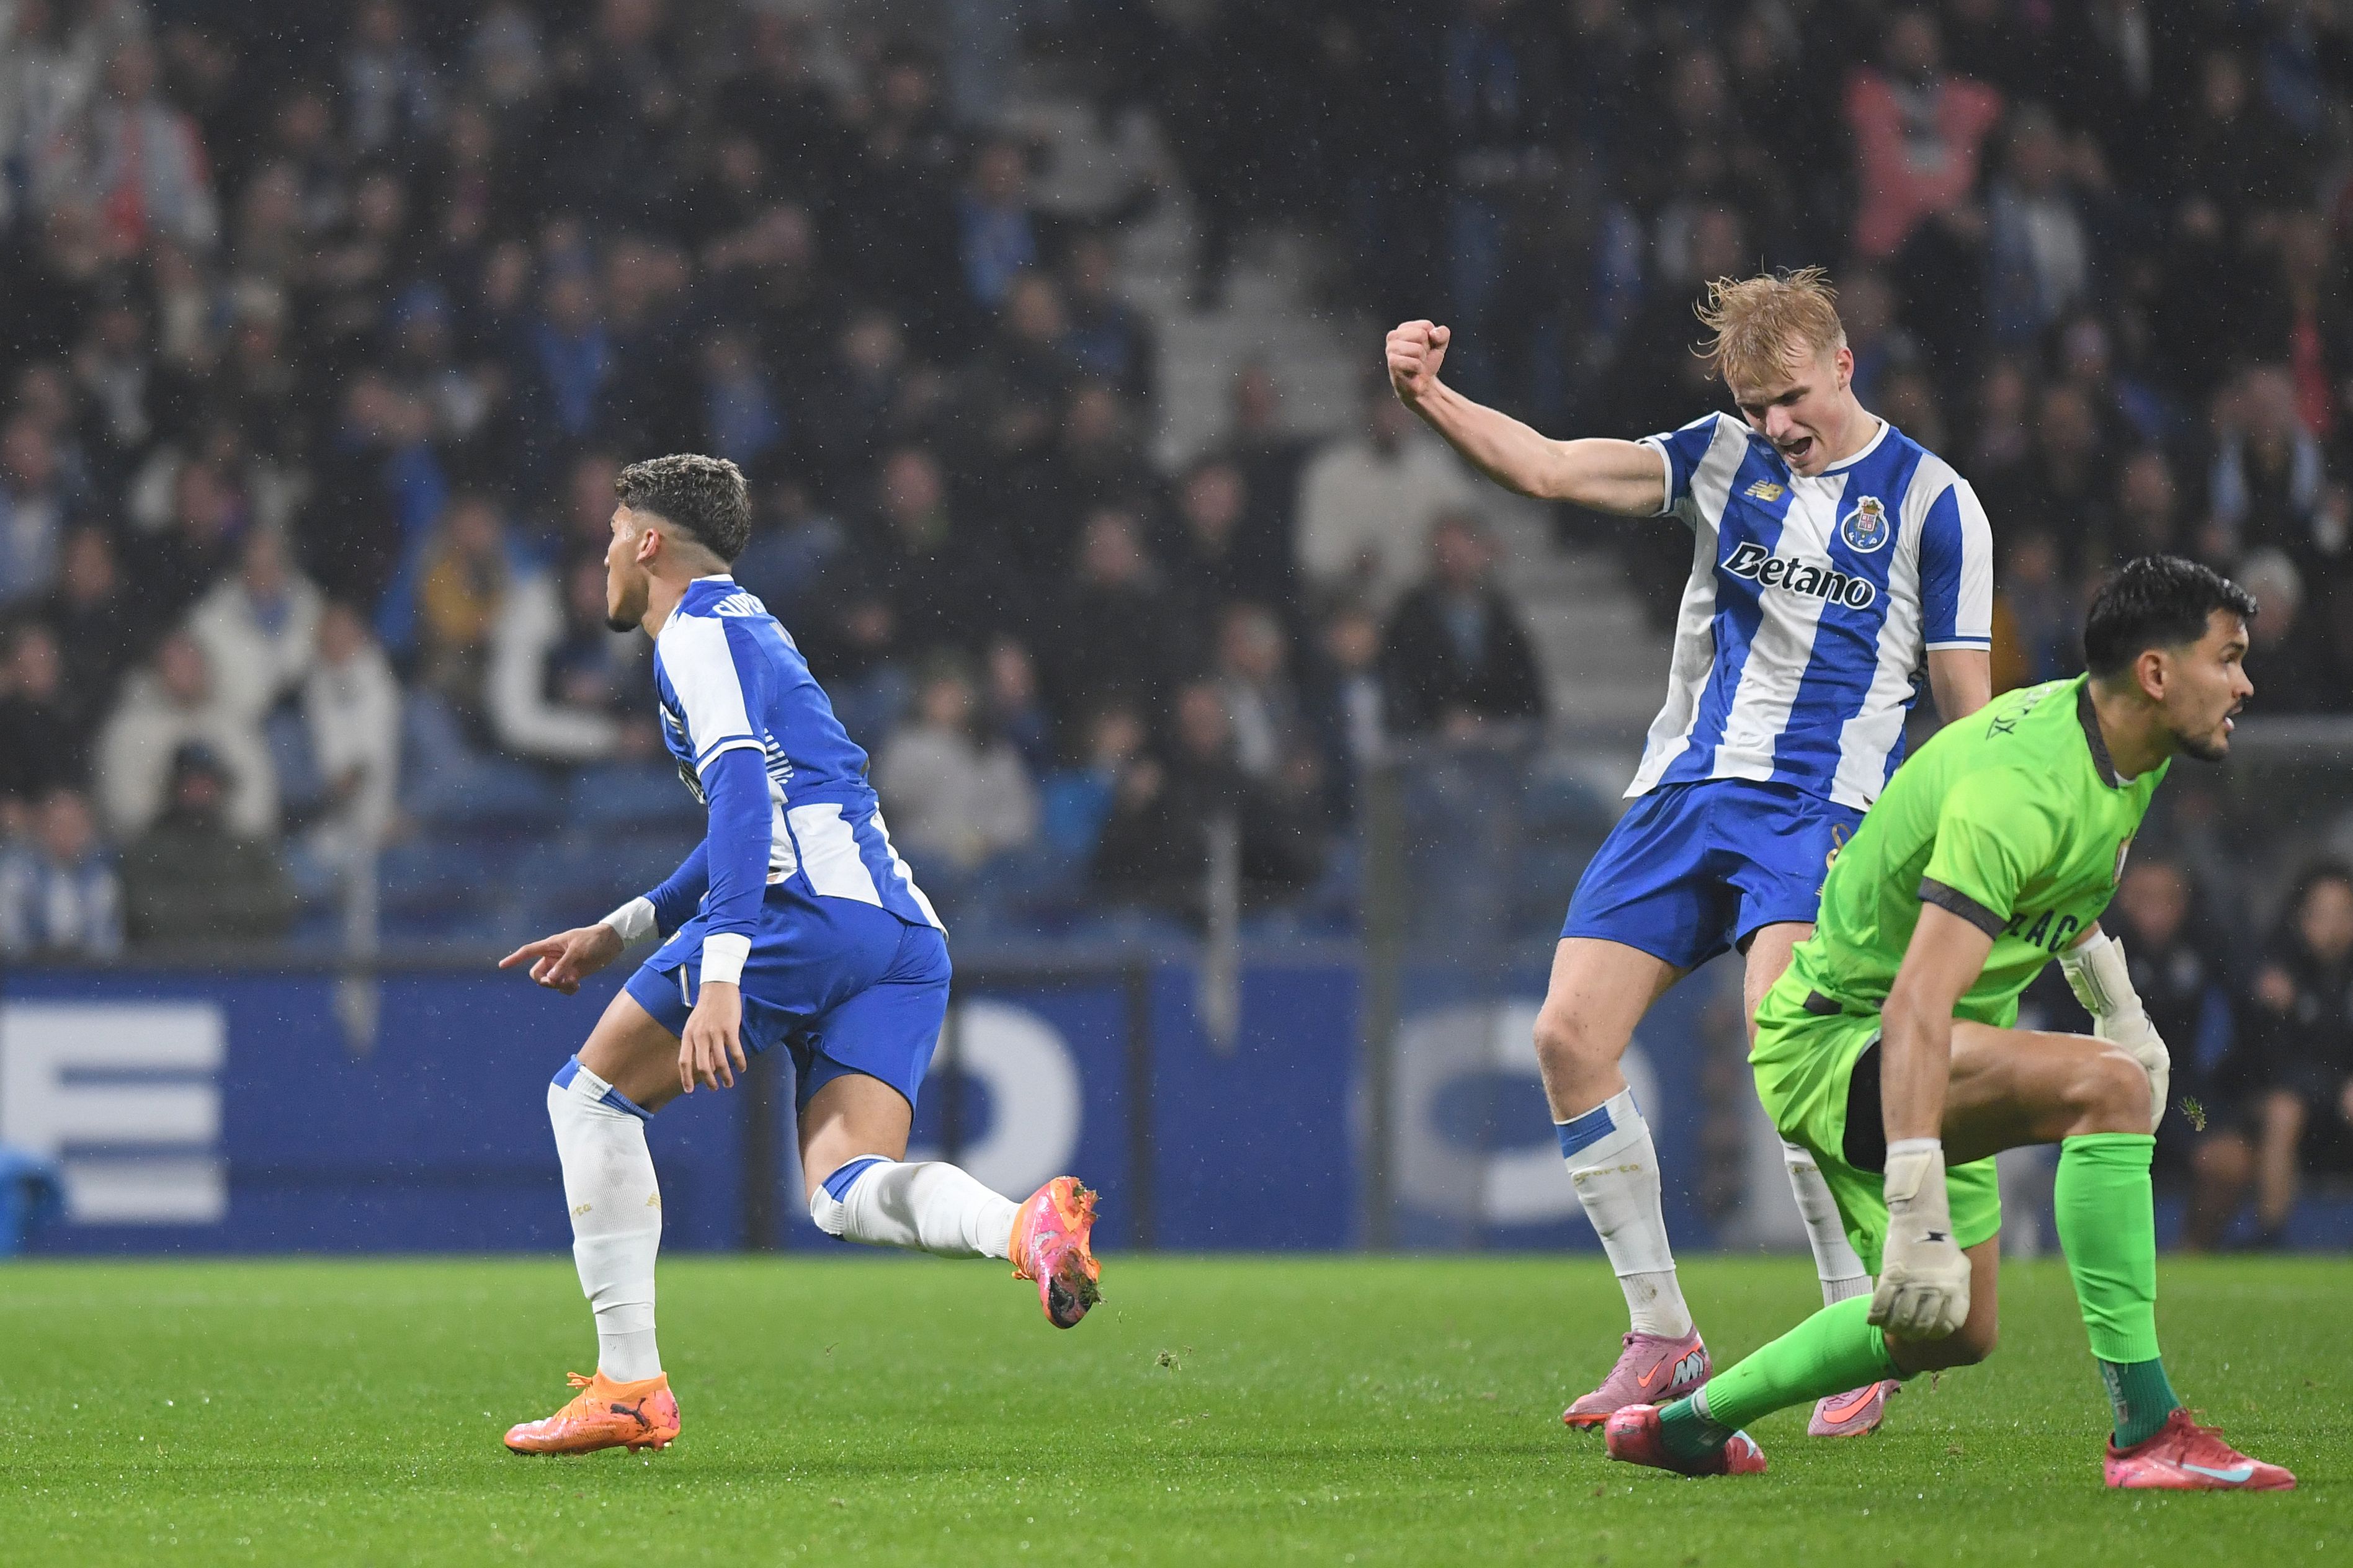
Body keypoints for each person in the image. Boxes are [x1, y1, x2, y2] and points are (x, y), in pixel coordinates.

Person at [1385, 267, 1993, 1438]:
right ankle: (1662, 1335)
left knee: (1787, 1043)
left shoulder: (1933, 504)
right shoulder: (1724, 459)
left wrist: (1976, 854)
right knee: (1567, 1038)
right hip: (1682, 795)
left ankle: (1858, 1318)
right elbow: (1557, 467)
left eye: (1791, 397)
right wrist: (1432, 400)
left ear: (1843, 364)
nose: (1777, 425)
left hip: (1823, 811)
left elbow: (1968, 714)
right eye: (1756, 403)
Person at [1605, 558, 2294, 1491]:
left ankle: (1687, 1425)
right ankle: (2146, 1433)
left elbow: (2058, 885)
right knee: (2107, 1089)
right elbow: (1915, 1003)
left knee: (1949, 1332)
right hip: (1842, 1047)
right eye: (2229, 658)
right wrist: (1914, 1199)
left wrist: (2114, 1001)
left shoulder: (2125, 749)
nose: (2245, 683)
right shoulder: (2017, 786)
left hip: (1926, 1049)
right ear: (2156, 673)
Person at [496, 455, 1100, 1457]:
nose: (601, 551)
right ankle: (1021, 1229)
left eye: (611, 531)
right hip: (900, 931)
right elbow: (767, 801)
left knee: (588, 1099)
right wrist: (628, 927)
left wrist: (722, 973)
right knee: (842, 1187)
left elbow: (740, 799)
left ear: (649, 542)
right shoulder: (751, 624)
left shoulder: (691, 633)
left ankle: (629, 1384)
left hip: (799, 913)